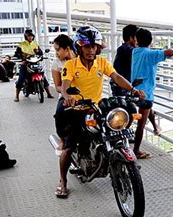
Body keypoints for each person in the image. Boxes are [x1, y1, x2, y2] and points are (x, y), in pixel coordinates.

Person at [56, 26, 145, 198]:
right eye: (87, 46)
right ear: (79, 47)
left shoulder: (101, 62)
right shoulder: (71, 64)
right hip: (76, 107)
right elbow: (65, 84)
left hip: (96, 107)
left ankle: (122, 161)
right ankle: (62, 181)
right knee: (69, 146)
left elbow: (116, 77)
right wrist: (67, 95)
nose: (91, 50)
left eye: (94, 46)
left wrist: (133, 90)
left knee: (118, 127)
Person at [131, 28, 173, 159]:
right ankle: (136, 150)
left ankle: (156, 128)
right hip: (146, 93)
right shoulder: (151, 54)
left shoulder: (135, 51)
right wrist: (159, 49)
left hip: (134, 89)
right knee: (141, 124)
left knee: (149, 111)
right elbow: (170, 52)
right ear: (150, 42)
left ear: (136, 40)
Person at [14, 29, 54, 102]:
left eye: (31, 36)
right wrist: (22, 58)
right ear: (26, 36)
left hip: (35, 63)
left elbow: (41, 53)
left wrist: (40, 54)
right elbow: (16, 54)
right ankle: (16, 96)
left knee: (43, 76)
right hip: (26, 63)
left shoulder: (35, 44)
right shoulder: (22, 45)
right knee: (21, 78)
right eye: (29, 36)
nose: (30, 37)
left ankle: (48, 93)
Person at [51, 34, 75, 151]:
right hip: (66, 96)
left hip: (84, 95)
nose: (56, 53)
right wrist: (68, 92)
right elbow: (57, 87)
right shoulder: (57, 64)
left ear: (67, 48)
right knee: (60, 113)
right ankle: (62, 139)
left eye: (57, 50)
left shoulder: (80, 59)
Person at [111, 24, 138, 97]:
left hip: (123, 85)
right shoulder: (125, 49)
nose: (138, 41)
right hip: (121, 86)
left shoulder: (124, 49)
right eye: (137, 37)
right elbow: (138, 53)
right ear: (131, 38)